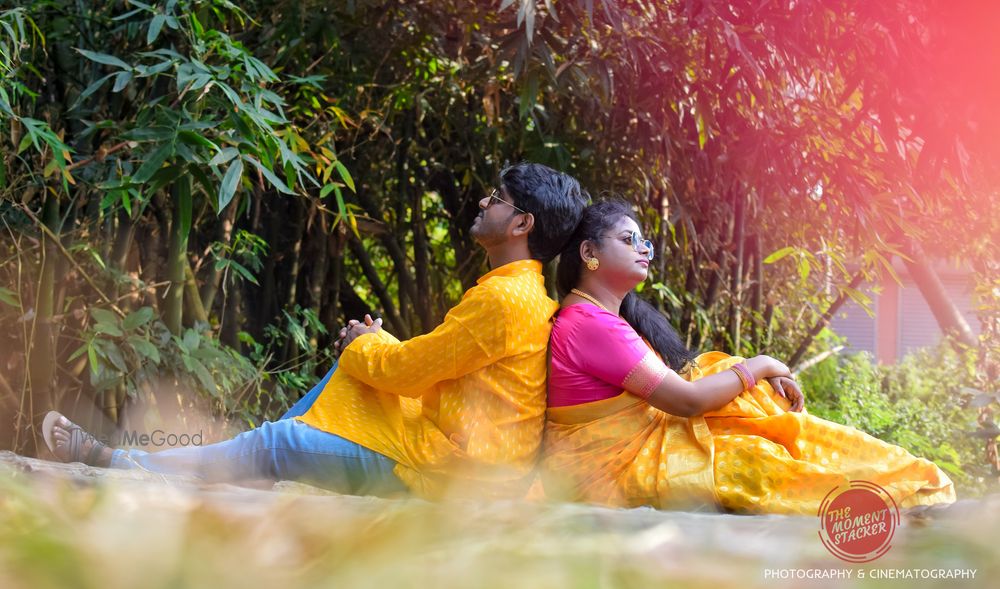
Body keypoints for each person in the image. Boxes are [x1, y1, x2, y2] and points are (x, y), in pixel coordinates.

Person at [43, 162, 589, 499]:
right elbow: (434, 363)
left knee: (281, 438)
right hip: (456, 448)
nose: (483, 201)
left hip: (461, 474)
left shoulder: (506, 296)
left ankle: (121, 462)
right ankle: (246, 463)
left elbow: (407, 372)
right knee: (341, 385)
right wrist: (372, 345)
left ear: (522, 224)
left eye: (497, 198)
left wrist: (366, 344)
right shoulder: (517, 290)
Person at [540, 200, 956, 514]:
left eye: (644, 241)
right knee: (757, 461)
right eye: (629, 240)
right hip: (610, 469)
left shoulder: (595, 317)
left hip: (633, 450)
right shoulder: (591, 324)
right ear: (589, 253)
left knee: (733, 387)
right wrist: (762, 364)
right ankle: (883, 486)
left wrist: (753, 372)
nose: (644, 249)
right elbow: (686, 401)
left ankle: (879, 476)